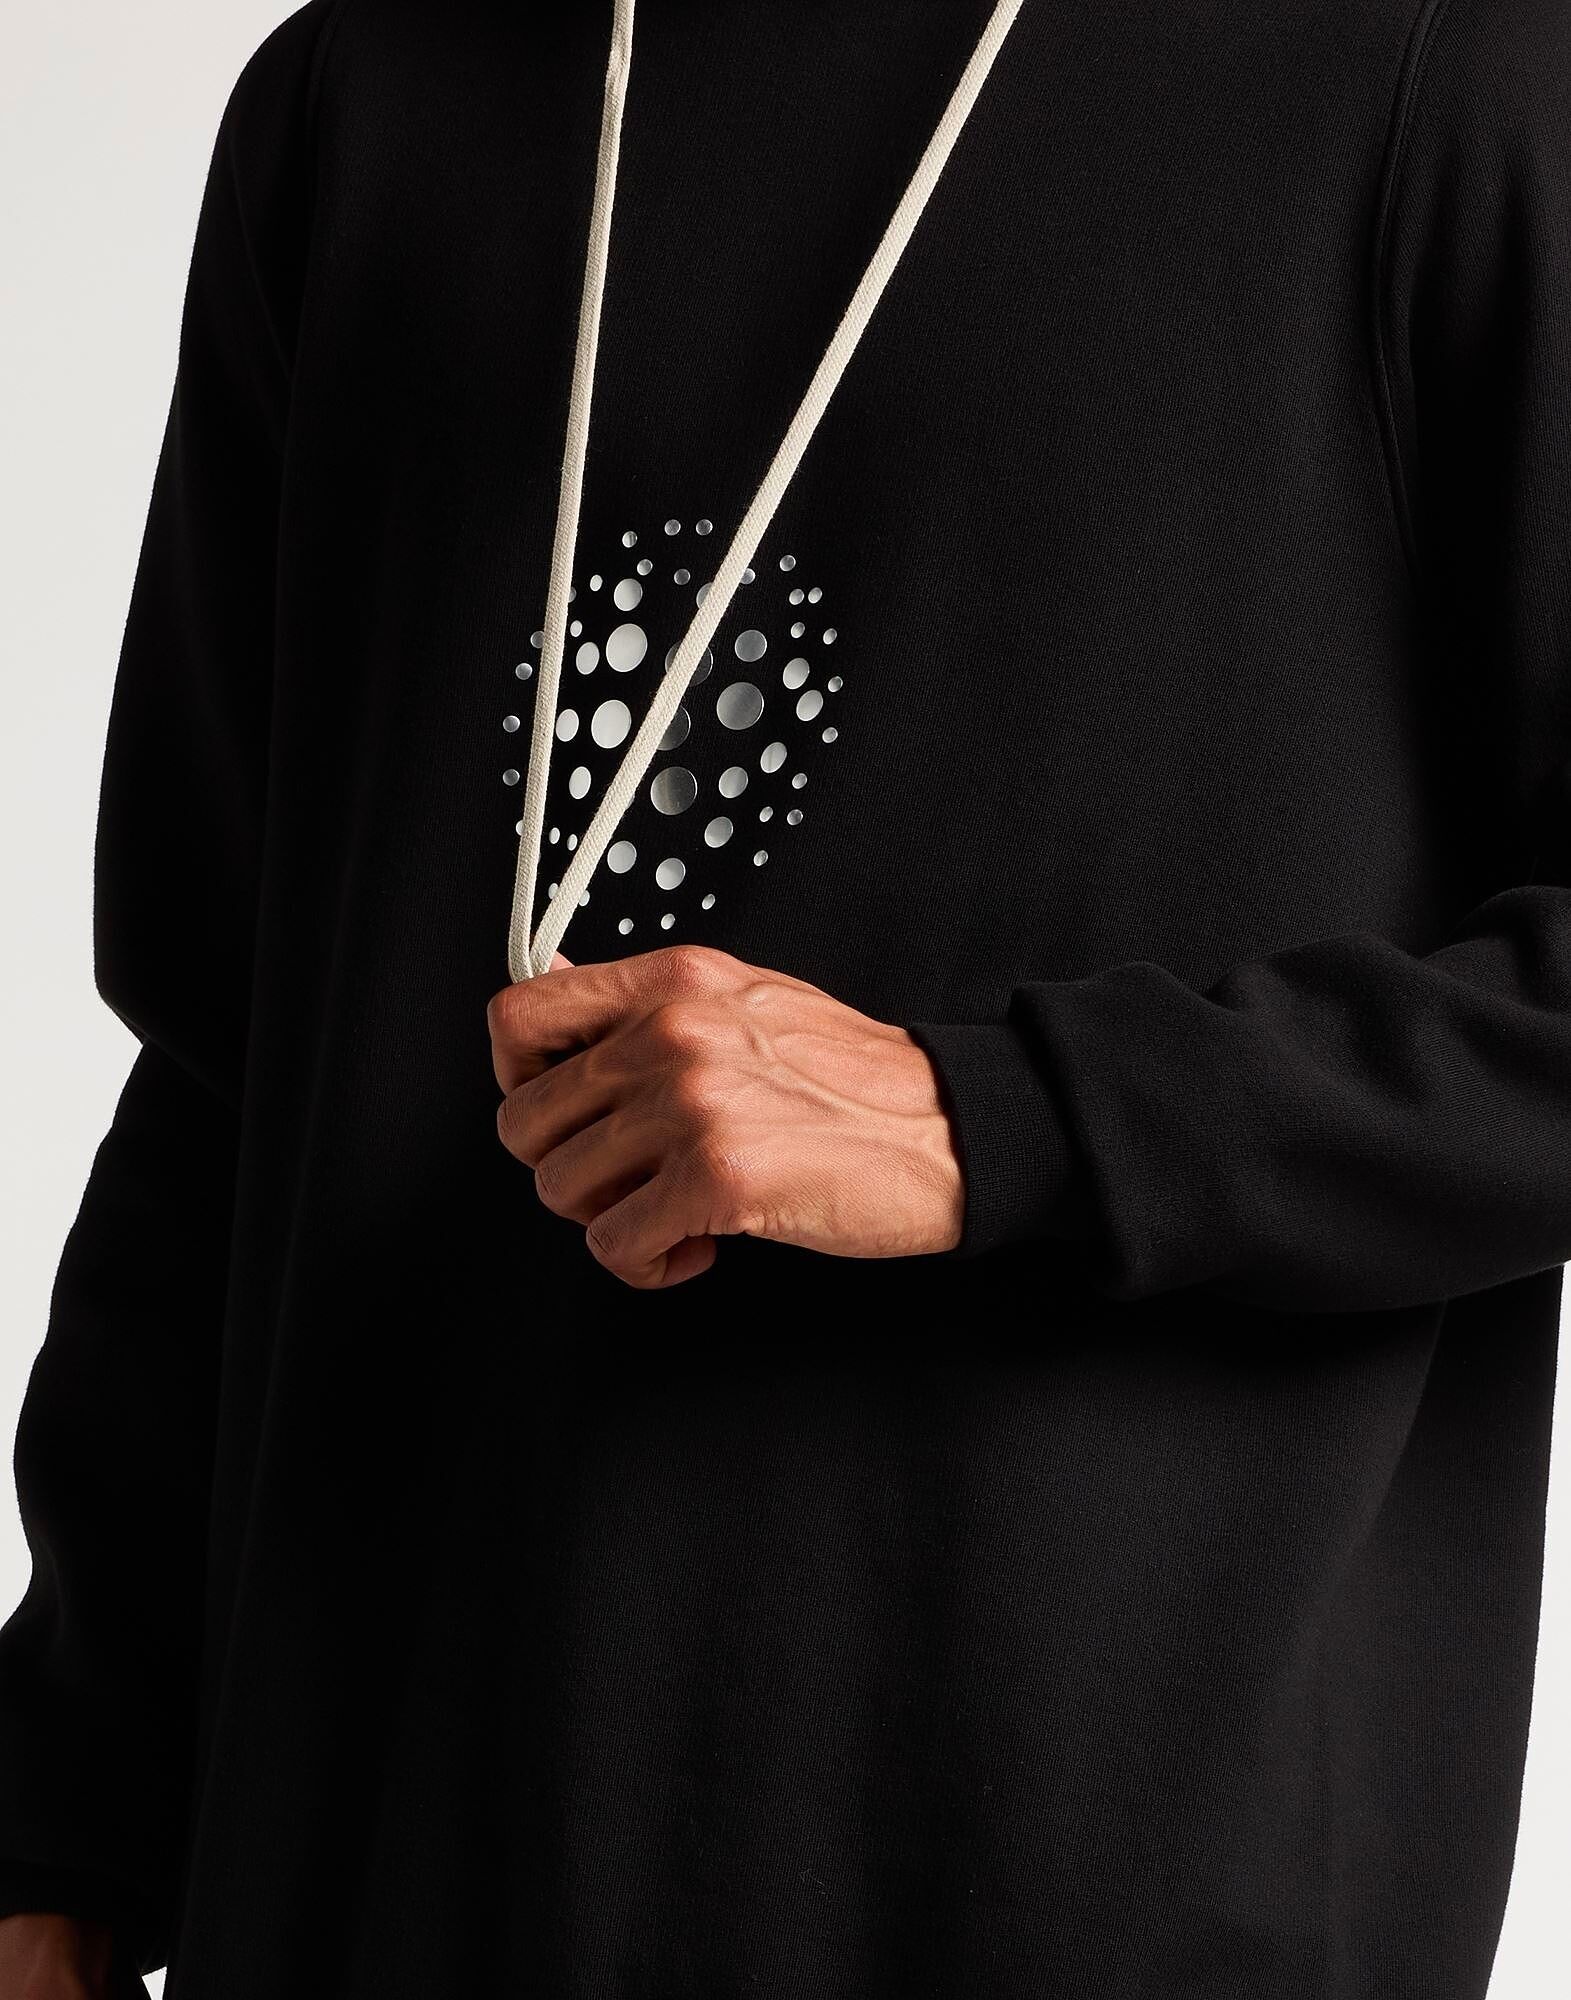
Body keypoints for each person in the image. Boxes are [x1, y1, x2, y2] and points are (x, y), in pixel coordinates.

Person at [2, 0, 1568, 1993]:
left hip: (1079, 1888)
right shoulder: (360, 98)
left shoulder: (1441, 67)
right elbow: (231, 1057)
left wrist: (994, 1119)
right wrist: (60, 1810)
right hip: (370, 1868)